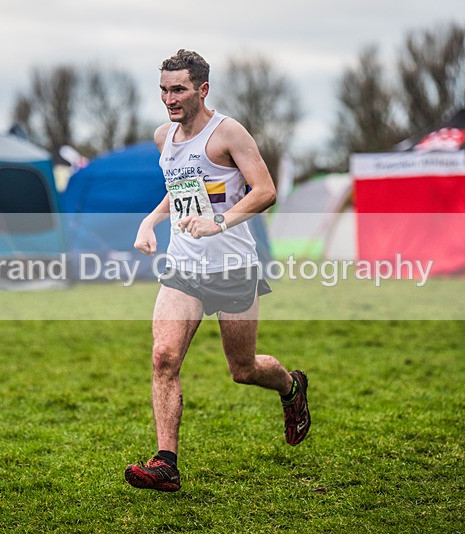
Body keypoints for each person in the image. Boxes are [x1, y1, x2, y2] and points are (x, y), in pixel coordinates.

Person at [124, 49, 310, 492]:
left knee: (242, 369)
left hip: (232, 267)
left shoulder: (228, 133)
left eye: (179, 90)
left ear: (202, 89)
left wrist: (220, 222)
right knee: (163, 357)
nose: (170, 99)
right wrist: (149, 222)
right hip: (185, 266)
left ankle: (290, 387)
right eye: (165, 90)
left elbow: (266, 191)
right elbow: (179, 190)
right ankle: (166, 462)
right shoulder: (162, 137)